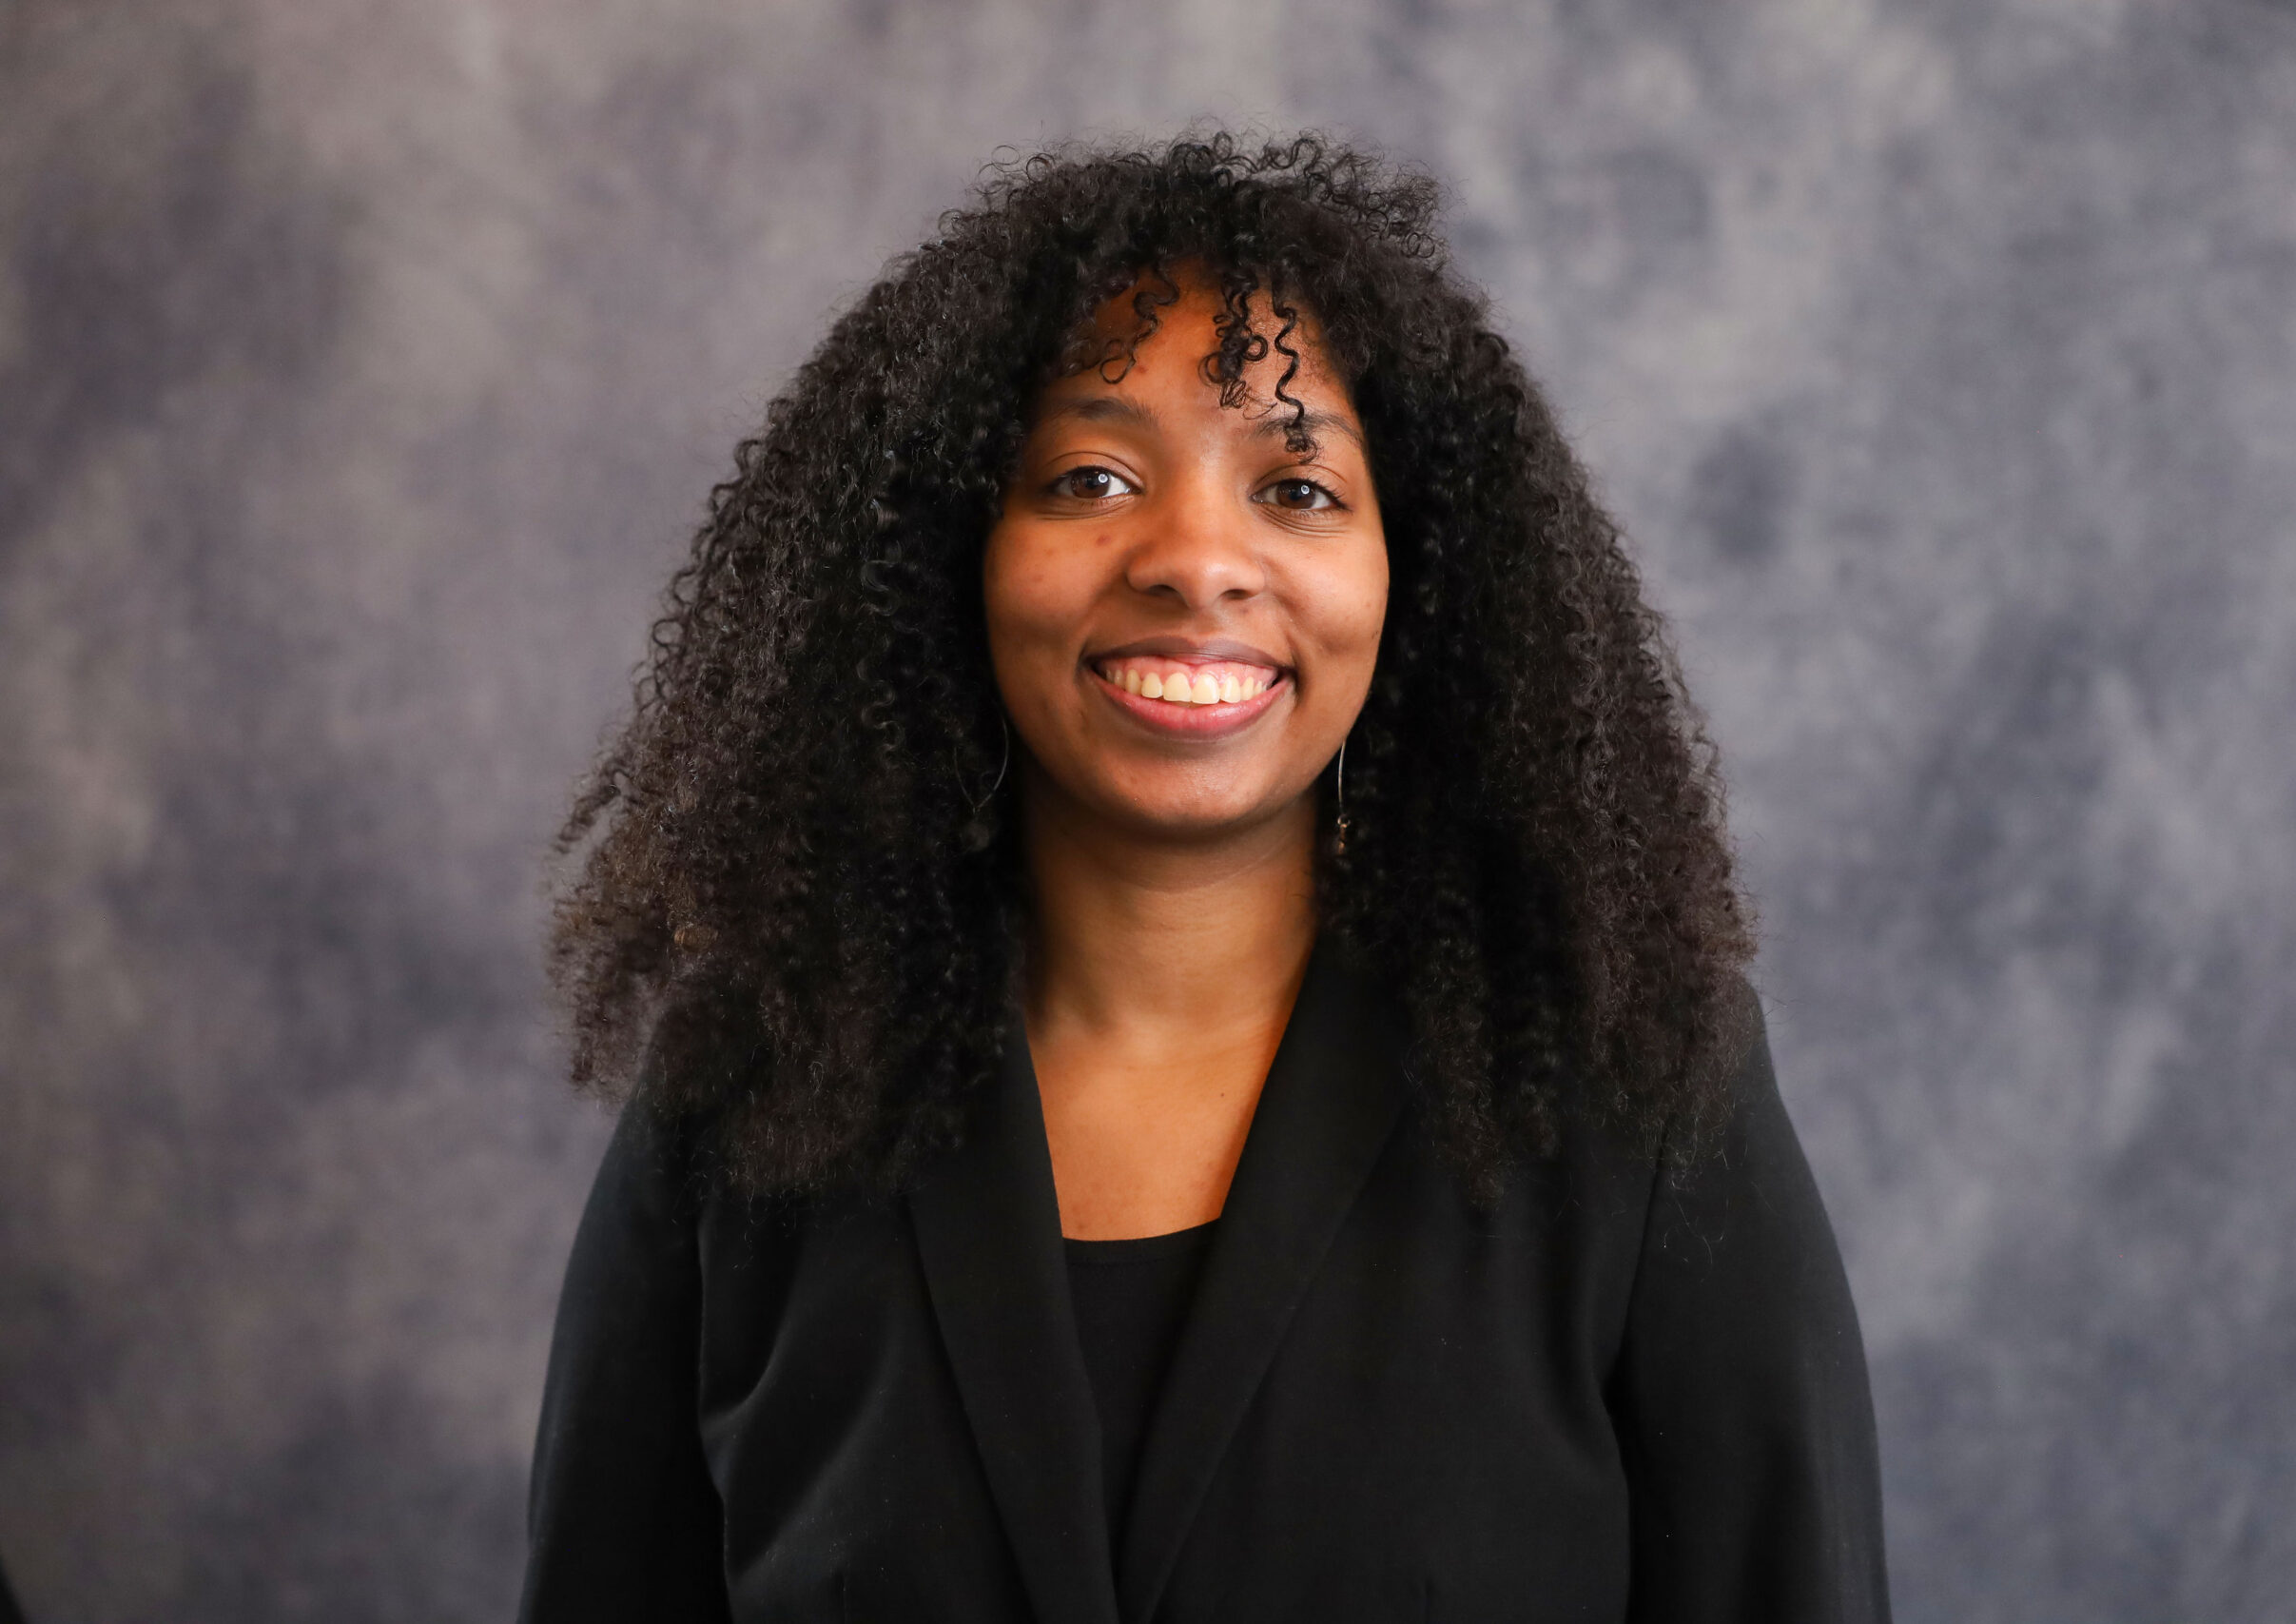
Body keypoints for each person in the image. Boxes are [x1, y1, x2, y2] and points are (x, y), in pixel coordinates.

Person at [523, 130, 1890, 1623]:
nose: (1195, 558)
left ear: (1412, 580)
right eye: (1091, 476)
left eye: (1297, 491)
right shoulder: (747, 1103)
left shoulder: (1633, 1084)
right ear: (947, 558)